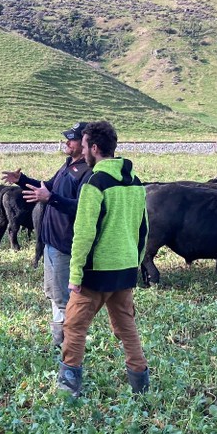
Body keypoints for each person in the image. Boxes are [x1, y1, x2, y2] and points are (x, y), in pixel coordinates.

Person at [58, 120, 149, 397]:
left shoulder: (94, 182)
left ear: (94, 148)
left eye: (84, 146)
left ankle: (68, 389)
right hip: (125, 271)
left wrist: (75, 275)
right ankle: (141, 386)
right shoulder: (135, 181)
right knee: (127, 327)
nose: (82, 151)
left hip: (95, 274)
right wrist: (135, 262)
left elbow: (83, 234)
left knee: (74, 327)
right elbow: (143, 229)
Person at [2, 122, 91, 346]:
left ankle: (70, 346)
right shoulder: (69, 164)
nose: (67, 142)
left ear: (85, 143)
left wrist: (49, 198)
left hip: (65, 243)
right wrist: (21, 180)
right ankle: (58, 341)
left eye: (72, 139)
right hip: (51, 241)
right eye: (67, 138)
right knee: (52, 292)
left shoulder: (88, 172)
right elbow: (48, 186)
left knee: (64, 298)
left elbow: (81, 207)